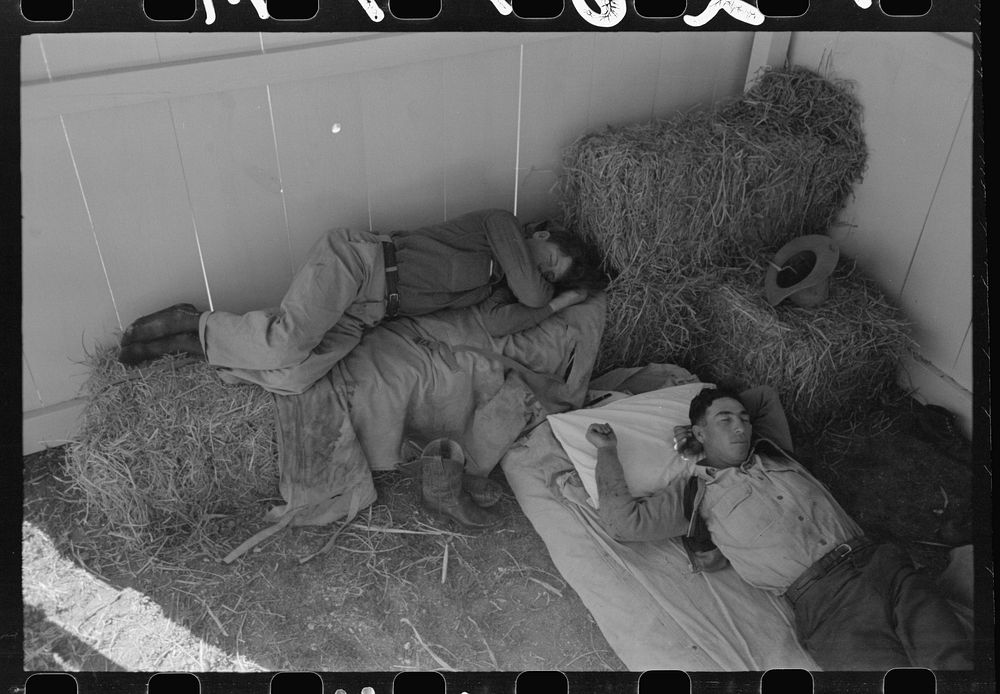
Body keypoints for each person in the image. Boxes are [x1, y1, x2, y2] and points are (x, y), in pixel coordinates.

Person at [584, 385, 972, 671]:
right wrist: (606, 451)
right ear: (698, 433)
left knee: (954, 661)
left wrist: (717, 412)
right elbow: (622, 522)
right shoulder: (692, 493)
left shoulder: (772, 450)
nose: (740, 428)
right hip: (829, 607)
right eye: (725, 421)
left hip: (883, 568)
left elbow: (764, 396)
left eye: (743, 420)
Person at [118, 209, 603, 394]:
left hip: (368, 313)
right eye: (546, 260)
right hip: (360, 265)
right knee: (285, 345)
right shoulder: (499, 226)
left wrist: (559, 307)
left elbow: (501, 325)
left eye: (547, 276)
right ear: (540, 234)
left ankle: (205, 348)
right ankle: (193, 322)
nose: (538, 276)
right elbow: (533, 293)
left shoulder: (499, 286)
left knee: (295, 377)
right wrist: (552, 293)